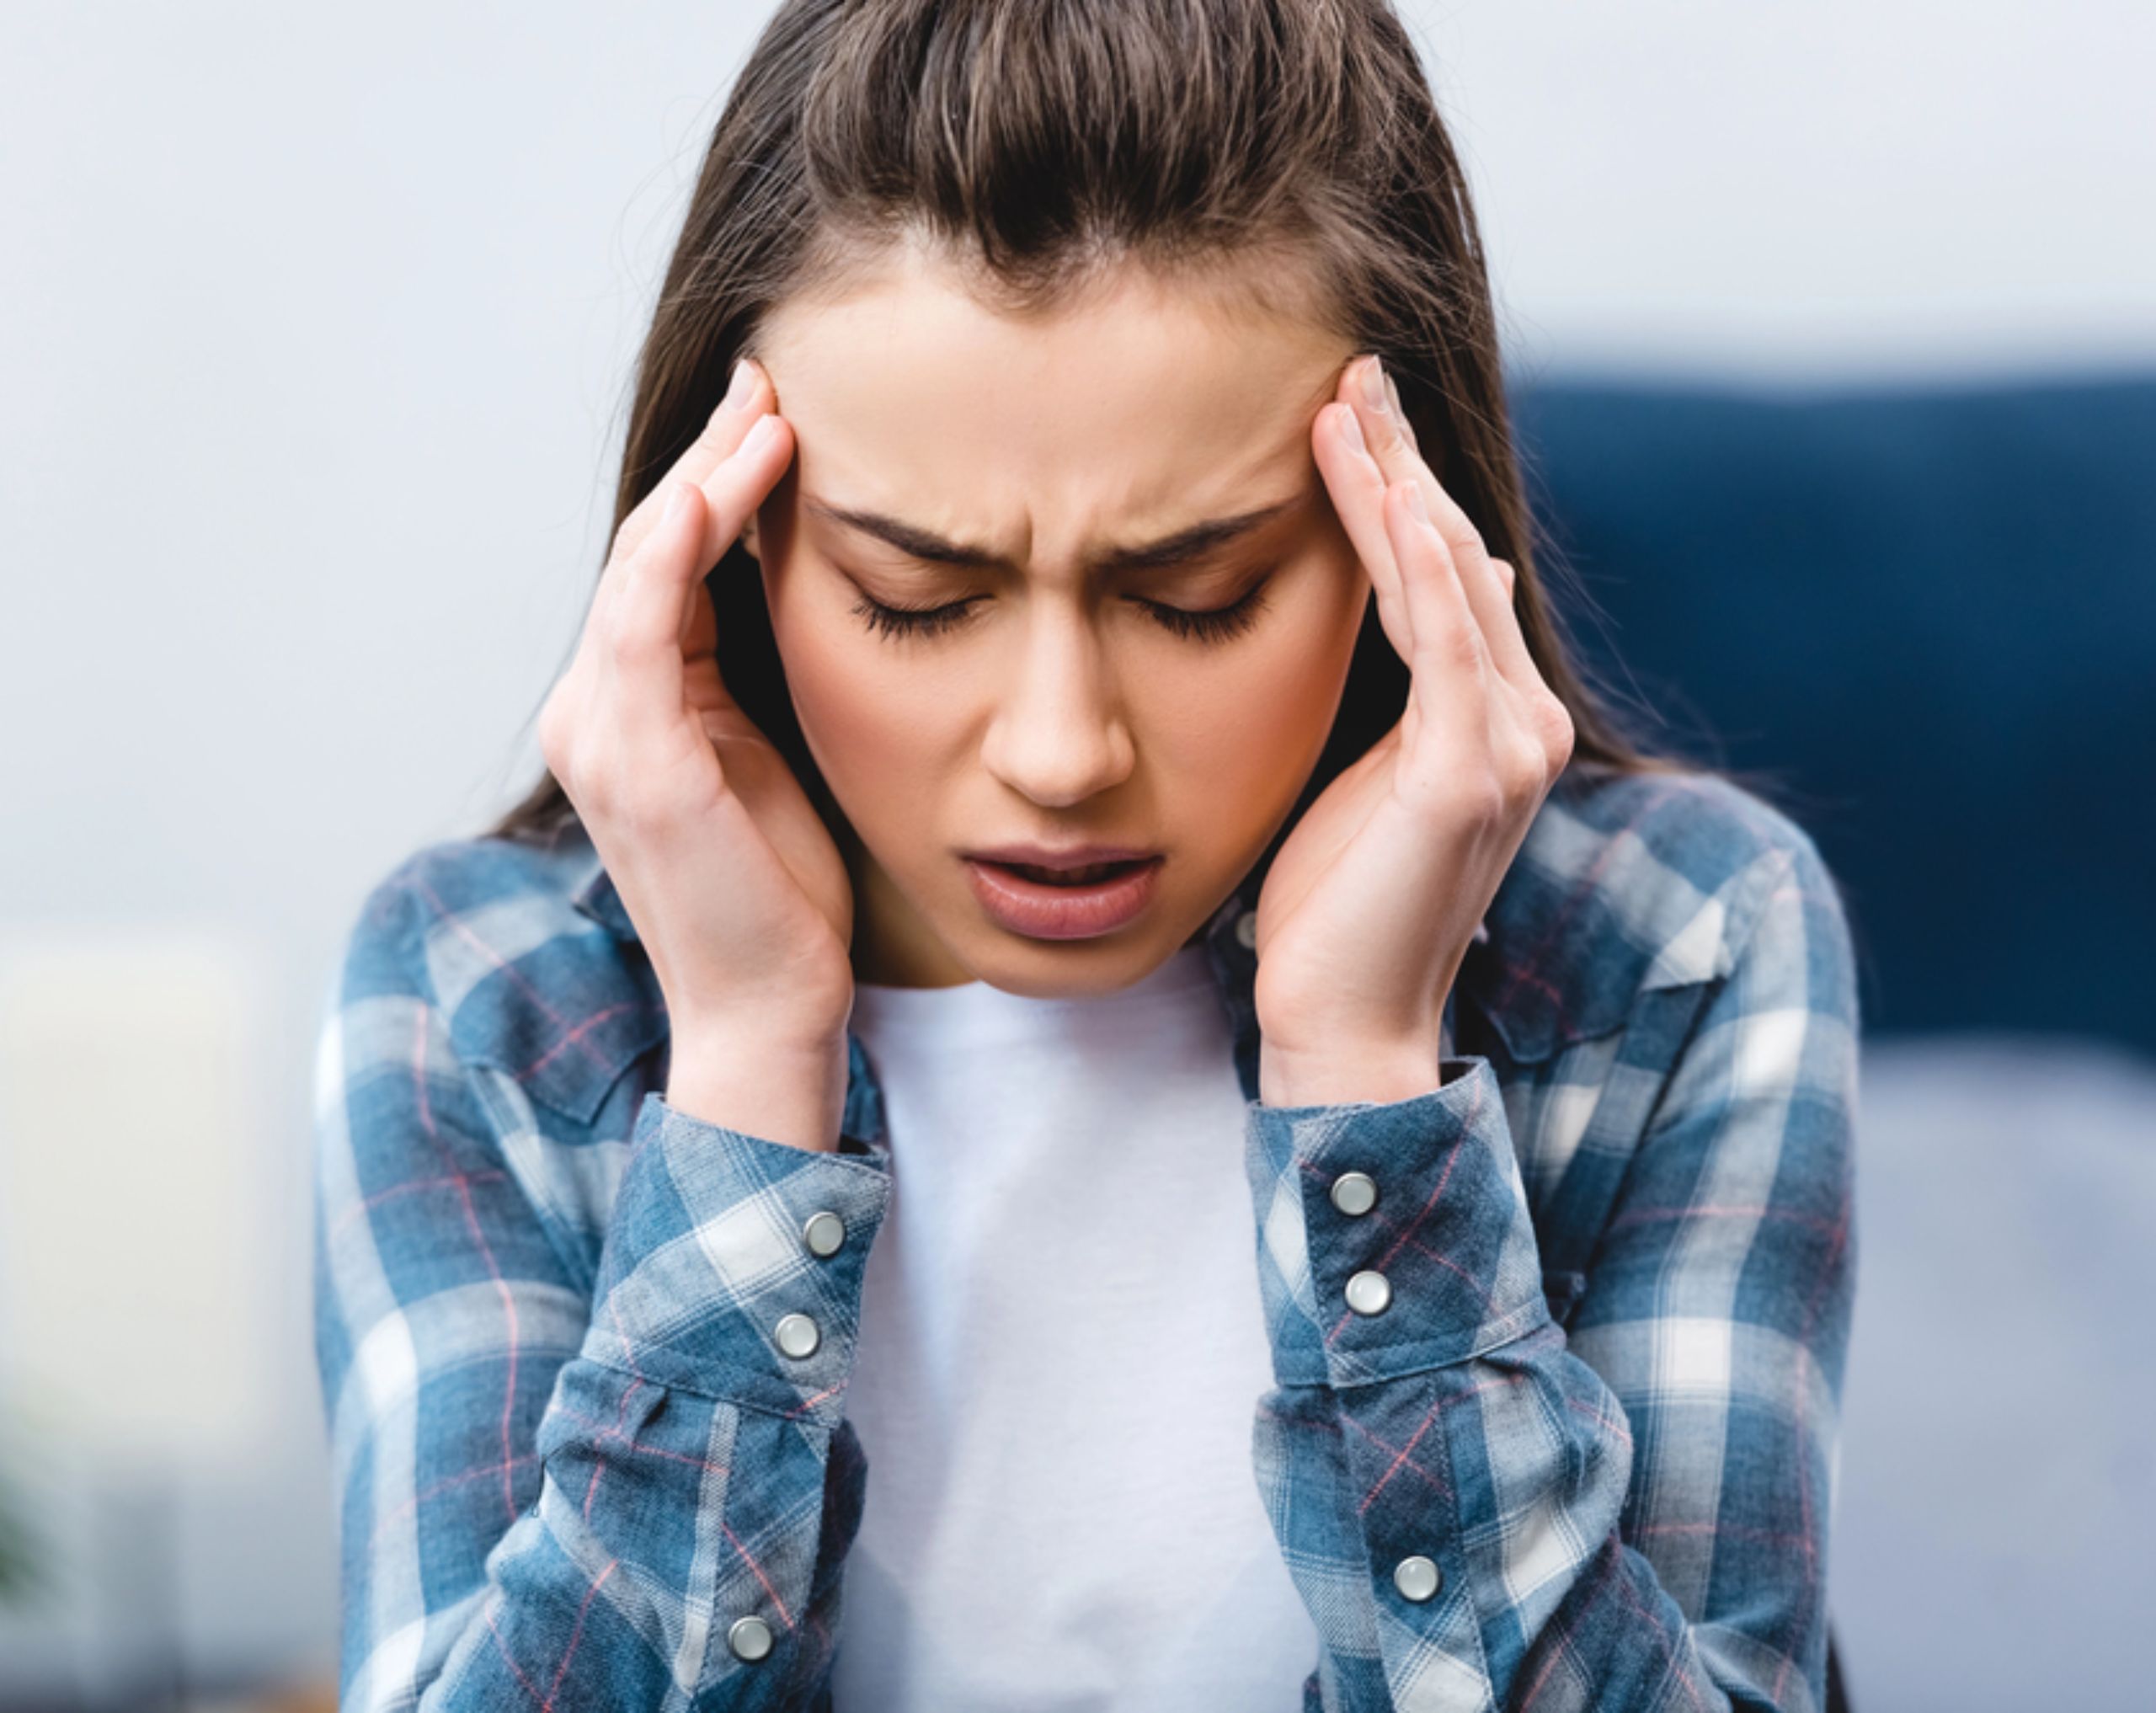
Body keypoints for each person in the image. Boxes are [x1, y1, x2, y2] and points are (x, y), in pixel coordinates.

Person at [310, 3, 1860, 1709]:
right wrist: (746, 1069)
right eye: (916, 596)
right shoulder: (480, 1000)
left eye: (1197, 596)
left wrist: (1361, 1084)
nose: (1059, 752)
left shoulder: (1670, 946)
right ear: (730, 539)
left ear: (1396, 532)